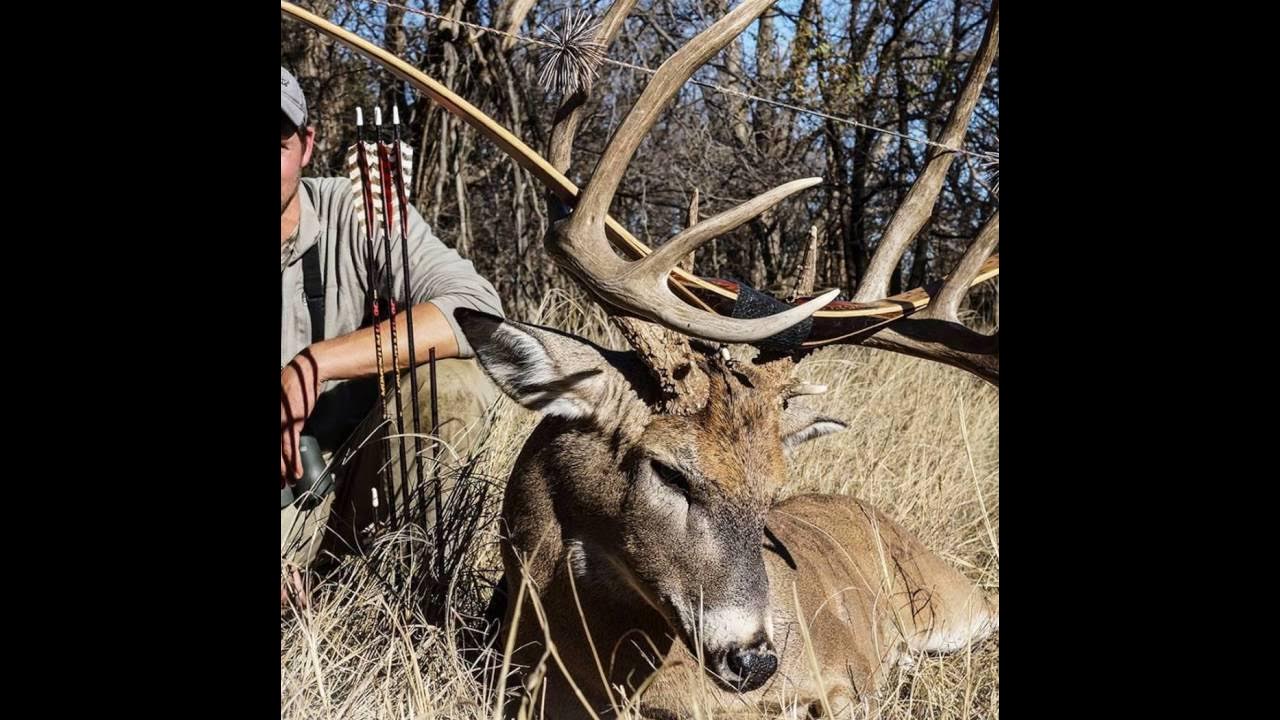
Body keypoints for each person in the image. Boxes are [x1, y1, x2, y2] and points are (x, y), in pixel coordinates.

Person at [280, 66, 503, 607]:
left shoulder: (356, 211)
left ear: (306, 146)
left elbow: (476, 308)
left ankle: (398, 604)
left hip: (350, 491)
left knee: (449, 383)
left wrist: (315, 364)